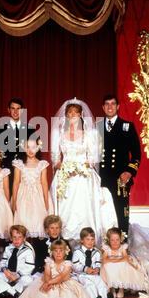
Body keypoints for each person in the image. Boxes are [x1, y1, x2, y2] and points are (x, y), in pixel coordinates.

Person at [50, 98, 118, 245]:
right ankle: (63, 244)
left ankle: (87, 242)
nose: (73, 115)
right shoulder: (60, 133)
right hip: (65, 176)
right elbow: (56, 158)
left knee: (84, 207)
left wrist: (80, 167)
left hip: (83, 175)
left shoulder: (89, 133)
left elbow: (93, 158)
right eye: (70, 112)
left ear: (81, 114)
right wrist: (63, 167)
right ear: (66, 115)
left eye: (76, 112)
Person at [15, 239, 95, 298]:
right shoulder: (49, 262)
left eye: (61, 251)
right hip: (49, 282)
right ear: (51, 252)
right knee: (47, 293)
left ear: (65, 252)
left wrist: (48, 283)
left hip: (63, 284)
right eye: (55, 251)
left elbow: (61, 277)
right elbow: (47, 274)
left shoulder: (67, 264)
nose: (58, 253)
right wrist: (47, 282)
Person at [98, 94, 141, 234]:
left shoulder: (127, 126)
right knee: (102, 211)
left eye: (113, 104)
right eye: (107, 104)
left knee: (120, 211)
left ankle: (122, 245)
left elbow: (136, 154)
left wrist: (129, 172)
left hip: (120, 177)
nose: (110, 107)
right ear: (103, 107)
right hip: (101, 177)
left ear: (118, 106)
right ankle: (103, 245)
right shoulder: (95, 127)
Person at [12, 139, 54, 239]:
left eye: (33, 147)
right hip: (23, 196)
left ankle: (37, 245)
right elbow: (16, 183)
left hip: (37, 196)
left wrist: (46, 201)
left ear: (38, 148)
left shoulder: (42, 164)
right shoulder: (19, 164)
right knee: (23, 219)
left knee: (37, 220)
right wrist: (14, 201)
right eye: (28, 147)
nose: (30, 150)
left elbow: (44, 183)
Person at [0, 98, 36, 196]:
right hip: (6, 169)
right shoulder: (0, 129)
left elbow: (36, 150)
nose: (15, 112)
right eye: (13, 108)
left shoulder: (30, 129)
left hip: (25, 170)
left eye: (18, 109)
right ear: (8, 110)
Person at [72, 227, 114, 298]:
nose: (90, 242)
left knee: (100, 282)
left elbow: (98, 263)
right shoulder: (77, 252)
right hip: (82, 275)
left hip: (93, 274)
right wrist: (85, 269)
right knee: (90, 285)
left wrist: (97, 269)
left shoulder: (96, 252)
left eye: (92, 240)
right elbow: (75, 266)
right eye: (87, 239)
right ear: (82, 240)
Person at [100, 227, 146, 298]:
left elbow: (125, 258)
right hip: (112, 263)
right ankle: (112, 288)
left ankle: (121, 289)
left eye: (117, 240)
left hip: (121, 263)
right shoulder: (107, 248)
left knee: (124, 265)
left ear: (120, 239)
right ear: (109, 240)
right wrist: (114, 261)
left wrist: (115, 261)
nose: (115, 242)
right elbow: (104, 260)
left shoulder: (122, 247)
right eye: (112, 240)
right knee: (107, 265)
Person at [0, 224, 35, 298]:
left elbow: (29, 267)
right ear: (11, 238)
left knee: (28, 280)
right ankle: (14, 292)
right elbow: (2, 262)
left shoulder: (27, 251)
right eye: (14, 237)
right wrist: (5, 271)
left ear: (24, 238)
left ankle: (7, 290)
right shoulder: (8, 249)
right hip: (8, 274)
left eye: (19, 237)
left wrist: (17, 275)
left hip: (21, 275)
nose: (17, 240)